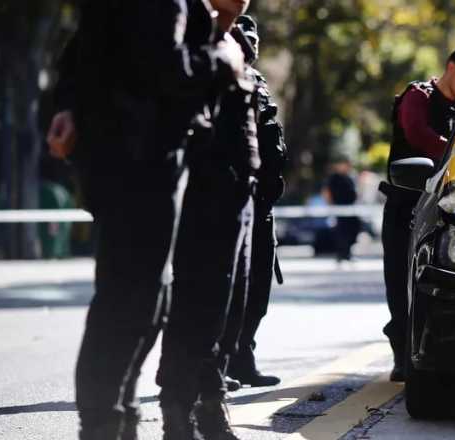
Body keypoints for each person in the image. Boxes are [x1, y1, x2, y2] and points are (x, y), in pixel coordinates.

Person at [46, 1, 246, 439]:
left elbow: (84, 53)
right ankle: (105, 425)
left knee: (139, 299)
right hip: (143, 159)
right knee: (131, 300)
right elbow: (166, 70)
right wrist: (223, 58)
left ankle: (116, 420)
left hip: (130, 155)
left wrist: (66, 107)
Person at [154, 0, 259, 438]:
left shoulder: (239, 44)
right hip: (199, 191)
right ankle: (177, 409)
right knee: (192, 306)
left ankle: (211, 403)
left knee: (224, 308)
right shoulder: (190, 38)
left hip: (239, 194)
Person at [381, 45, 455, 381]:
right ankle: (402, 350)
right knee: (400, 281)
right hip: (406, 203)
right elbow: (418, 135)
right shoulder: (418, 96)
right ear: (451, 67)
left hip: (444, 207)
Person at [223, 14, 287, 389]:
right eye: (244, 35)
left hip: (261, 202)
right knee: (225, 285)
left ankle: (243, 357)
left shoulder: (257, 82)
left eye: (255, 36)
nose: (252, 42)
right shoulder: (221, 75)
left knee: (258, 284)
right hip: (230, 196)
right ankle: (214, 365)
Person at [325, 156, 360, 261]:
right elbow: (327, 192)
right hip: (339, 209)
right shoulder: (334, 178)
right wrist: (331, 206)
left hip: (350, 209)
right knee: (341, 232)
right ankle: (341, 255)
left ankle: (347, 253)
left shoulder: (349, 177)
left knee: (352, 230)